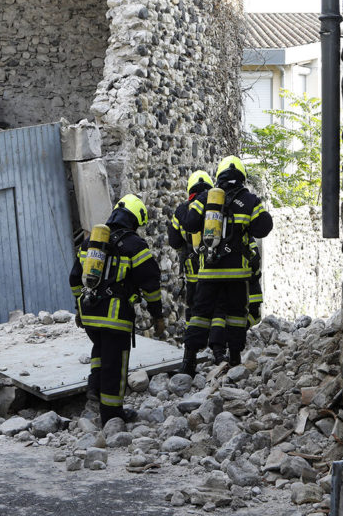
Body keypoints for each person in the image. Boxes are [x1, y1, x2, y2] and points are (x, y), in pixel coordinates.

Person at [69, 194, 165, 425]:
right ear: (134, 220)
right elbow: (150, 284)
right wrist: (157, 315)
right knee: (115, 364)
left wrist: (79, 308)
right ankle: (112, 415)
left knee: (100, 350)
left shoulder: (91, 243)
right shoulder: (134, 245)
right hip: (115, 317)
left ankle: (95, 386)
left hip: (90, 313)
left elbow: (74, 278)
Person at [179, 156, 273, 376]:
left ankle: (188, 361)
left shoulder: (205, 197)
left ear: (219, 175)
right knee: (236, 315)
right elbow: (263, 228)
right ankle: (235, 358)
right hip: (236, 273)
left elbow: (190, 224)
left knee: (200, 315)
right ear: (242, 176)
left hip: (208, 271)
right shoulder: (249, 200)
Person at [167, 169, 213, 324]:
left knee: (194, 308)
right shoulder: (216, 206)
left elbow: (174, 242)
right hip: (215, 266)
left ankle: (192, 336)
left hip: (192, 269)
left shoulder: (182, 210)